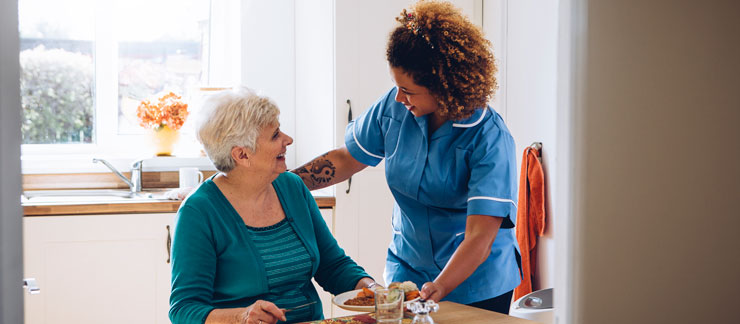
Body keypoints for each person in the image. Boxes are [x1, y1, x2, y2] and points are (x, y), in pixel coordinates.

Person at [292, 0, 520, 314]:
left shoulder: (489, 138)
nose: (399, 97)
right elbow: (346, 159)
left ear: (443, 86)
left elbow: (480, 236)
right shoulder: (395, 106)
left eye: (408, 90)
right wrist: (284, 183)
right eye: (396, 86)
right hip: (407, 272)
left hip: (476, 282)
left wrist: (440, 286)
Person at [169, 87, 376, 324]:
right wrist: (242, 316)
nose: (288, 140)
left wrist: (371, 288)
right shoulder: (199, 212)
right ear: (242, 155)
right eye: (275, 135)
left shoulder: (292, 187)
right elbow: (184, 310)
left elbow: (333, 266)